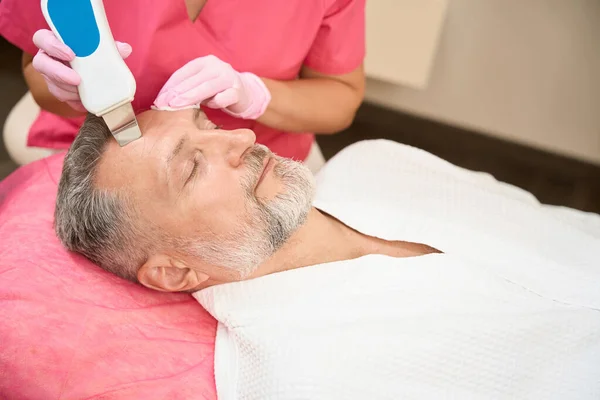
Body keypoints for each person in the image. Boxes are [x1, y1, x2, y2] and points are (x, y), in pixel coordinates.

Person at [54, 108, 600, 399]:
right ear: (175, 271)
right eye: (193, 166)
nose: (242, 136)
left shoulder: (376, 161)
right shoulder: (303, 382)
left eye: (210, 125)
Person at [0, 0, 366, 171]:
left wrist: (256, 96)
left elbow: (340, 96)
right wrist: (70, 88)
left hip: (265, 156)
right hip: (106, 144)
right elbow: (37, 72)